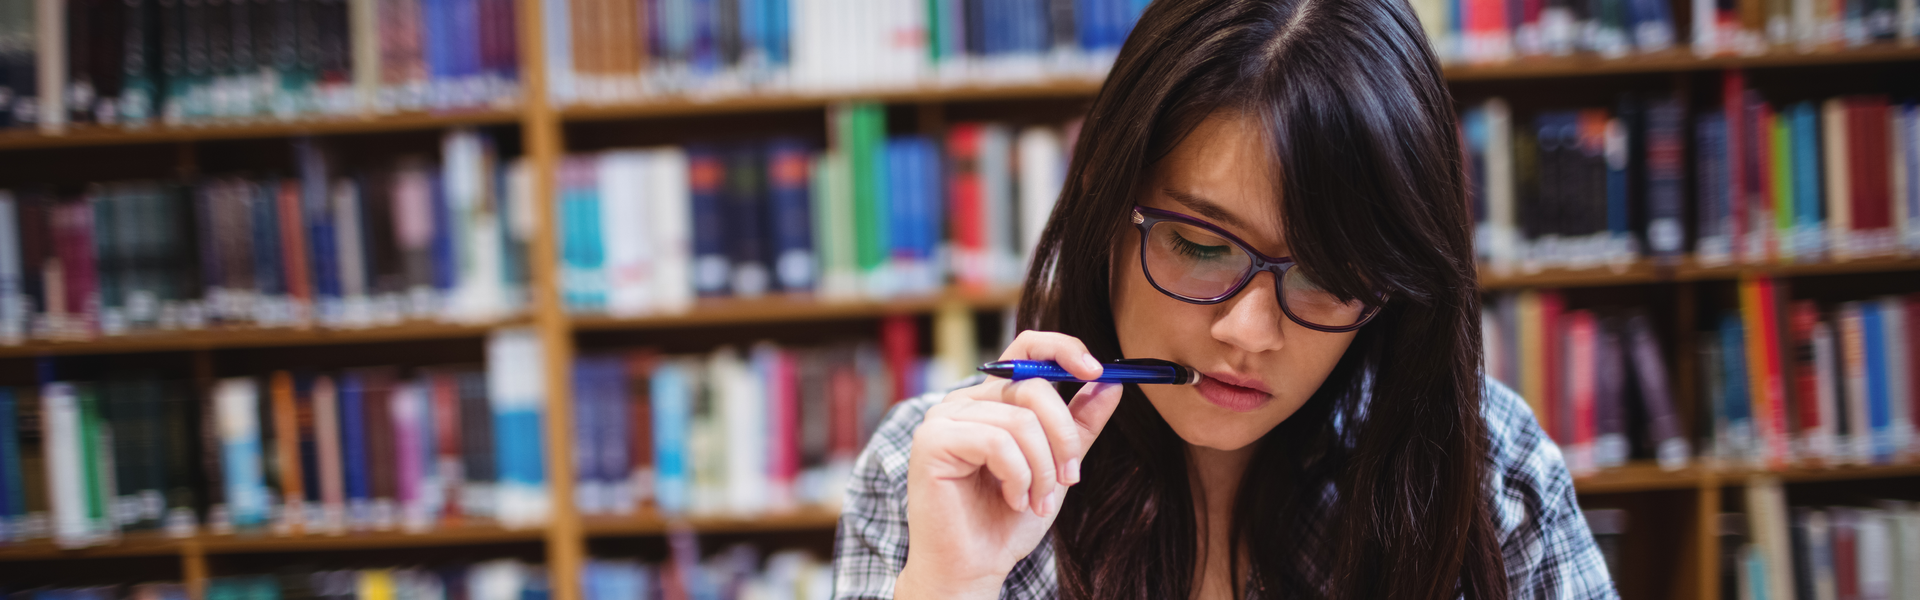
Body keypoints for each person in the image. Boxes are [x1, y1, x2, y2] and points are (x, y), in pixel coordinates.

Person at [829, 0, 1617, 597]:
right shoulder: (935, 474)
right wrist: (947, 584)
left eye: (1331, 275)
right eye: (1201, 247)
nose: (1249, 331)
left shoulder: (1490, 475)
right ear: (1106, 201)